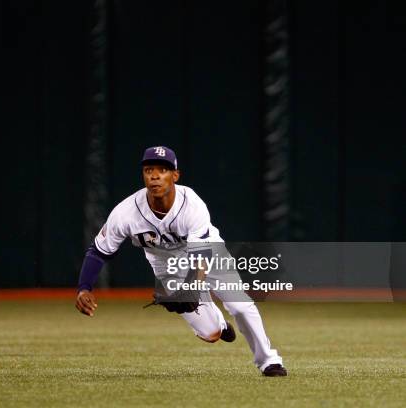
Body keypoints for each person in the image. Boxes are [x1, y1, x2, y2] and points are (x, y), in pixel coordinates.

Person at [75, 146, 287, 377]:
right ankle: (219, 324)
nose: (155, 176)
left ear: (175, 175)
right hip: (167, 266)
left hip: (209, 255)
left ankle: (269, 360)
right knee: (211, 334)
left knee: (240, 306)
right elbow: (98, 251)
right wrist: (84, 288)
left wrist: (190, 288)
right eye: (149, 170)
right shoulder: (125, 213)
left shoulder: (192, 205)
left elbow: (202, 256)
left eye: (163, 170)